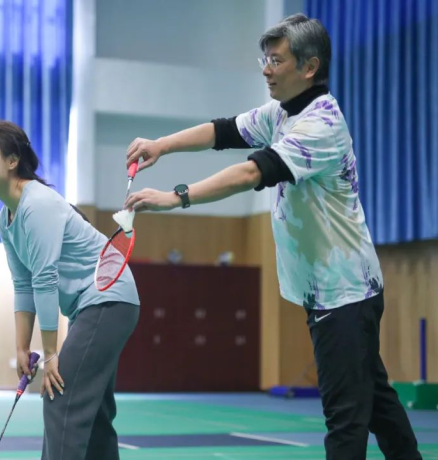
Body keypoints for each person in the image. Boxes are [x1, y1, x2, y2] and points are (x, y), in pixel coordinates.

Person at [124, 13, 421, 460]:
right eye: (264, 59)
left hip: (345, 292)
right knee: (376, 402)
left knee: (345, 419)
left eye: (276, 60)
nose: (266, 69)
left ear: (309, 66)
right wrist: (161, 145)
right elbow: (224, 131)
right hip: (332, 292)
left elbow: (252, 173)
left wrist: (175, 197)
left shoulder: (321, 124)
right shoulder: (282, 112)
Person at [0, 120, 140, 460]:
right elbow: (23, 284)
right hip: (90, 308)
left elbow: (45, 278)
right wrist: (22, 347)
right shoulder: (6, 219)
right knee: (93, 410)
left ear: (12, 160)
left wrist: (50, 355)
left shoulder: (38, 204)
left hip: (108, 298)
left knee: (59, 395)